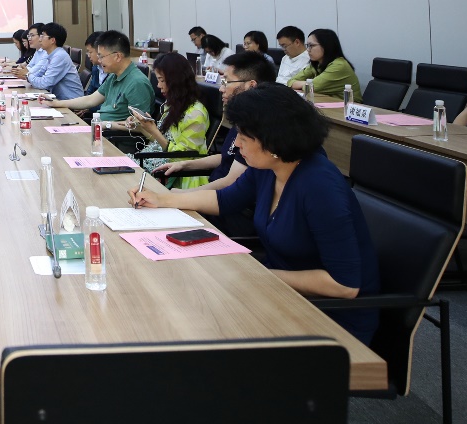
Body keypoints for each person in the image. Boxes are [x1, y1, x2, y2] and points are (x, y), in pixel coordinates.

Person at [130, 83, 380, 345]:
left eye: (244, 137)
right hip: (279, 296)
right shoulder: (269, 167)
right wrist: (163, 199)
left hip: (329, 320)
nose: (236, 144)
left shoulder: (320, 187)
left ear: (273, 140)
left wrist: (255, 274)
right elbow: (224, 200)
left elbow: (344, 286)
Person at [149, 51, 278, 237]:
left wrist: (184, 195)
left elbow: (230, 183)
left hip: (231, 213)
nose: (221, 88)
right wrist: (185, 164)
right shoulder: (243, 119)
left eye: (226, 82)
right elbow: (227, 156)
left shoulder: (258, 129)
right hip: (216, 198)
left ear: (251, 85)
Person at [126, 53, 209, 188]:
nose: (158, 85)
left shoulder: (195, 114)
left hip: (173, 176)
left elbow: (182, 157)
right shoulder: (173, 105)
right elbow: (161, 142)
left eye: (162, 80)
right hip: (156, 163)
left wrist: (154, 130)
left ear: (176, 80)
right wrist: (142, 126)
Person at [50, 30, 156, 134]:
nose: (99, 61)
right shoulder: (114, 75)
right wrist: (56, 103)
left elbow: (142, 126)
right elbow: (90, 100)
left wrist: (107, 125)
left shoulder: (137, 83)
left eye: (101, 56)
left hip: (114, 138)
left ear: (117, 56)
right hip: (99, 129)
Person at [286, 29, 361, 101]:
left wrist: (309, 83)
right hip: (326, 102)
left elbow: (314, 87)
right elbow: (290, 82)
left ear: (326, 45)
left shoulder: (339, 65)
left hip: (349, 106)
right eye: (307, 45)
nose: (308, 50)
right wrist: (309, 83)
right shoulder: (316, 64)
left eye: (311, 45)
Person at [22, 22, 85, 100]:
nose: (40, 40)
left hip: (71, 102)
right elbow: (39, 75)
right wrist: (28, 75)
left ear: (52, 40)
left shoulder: (59, 56)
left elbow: (44, 83)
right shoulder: (50, 55)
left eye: (42, 36)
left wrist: (27, 74)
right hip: (58, 100)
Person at [81, 32, 107, 96]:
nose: (88, 55)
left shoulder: (112, 72)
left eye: (90, 52)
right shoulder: (95, 68)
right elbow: (90, 92)